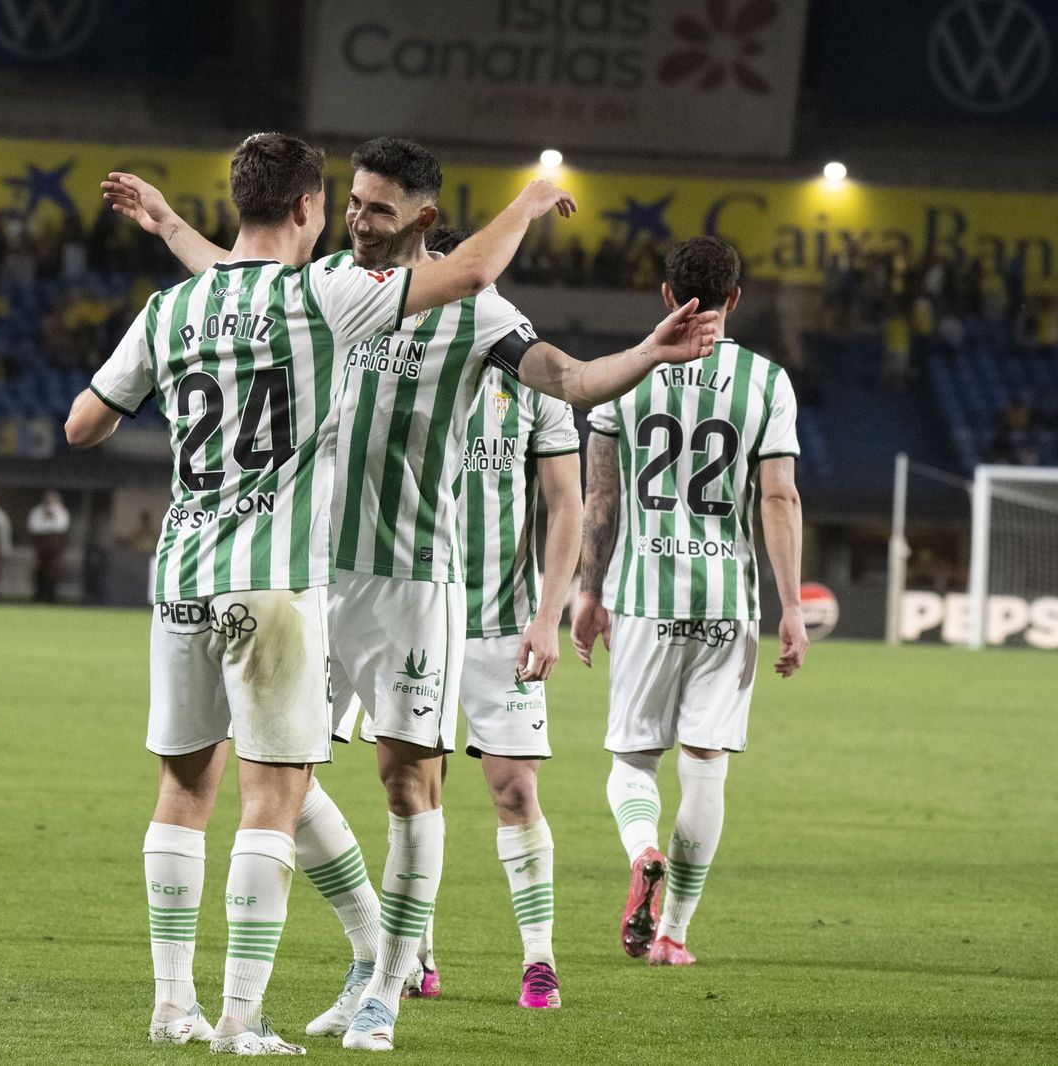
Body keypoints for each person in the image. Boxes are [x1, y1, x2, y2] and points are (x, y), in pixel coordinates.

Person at [109, 138, 721, 1049]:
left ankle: (388, 988)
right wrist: (168, 226)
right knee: (279, 774)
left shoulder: (474, 313)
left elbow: (570, 380)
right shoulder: (324, 290)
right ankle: (366, 944)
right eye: (351, 202)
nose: (356, 219)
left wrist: (646, 352)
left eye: (378, 209)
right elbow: (231, 284)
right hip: (308, 575)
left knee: (408, 786)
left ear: (424, 220)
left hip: (410, 585)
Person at [573, 236, 809, 967]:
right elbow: (778, 494)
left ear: (668, 296)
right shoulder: (767, 382)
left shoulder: (629, 375)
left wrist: (588, 590)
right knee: (706, 764)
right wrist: (793, 606)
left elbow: (600, 497)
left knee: (633, 761)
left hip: (644, 597)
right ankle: (673, 933)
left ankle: (643, 850)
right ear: (734, 300)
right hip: (727, 605)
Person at [400, 225, 582, 1009]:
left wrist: (549, 615)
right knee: (415, 791)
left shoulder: (528, 367)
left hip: (502, 623)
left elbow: (566, 504)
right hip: (412, 613)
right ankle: (416, 953)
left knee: (514, 791)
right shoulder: (398, 361)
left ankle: (538, 958)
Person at [27, 490, 70, 603]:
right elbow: (34, 528)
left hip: (55, 550)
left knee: (53, 573)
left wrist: (52, 516)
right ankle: (38, 597)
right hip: (40, 549)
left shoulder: (61, 512)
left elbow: (61, 528)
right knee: (39, 574)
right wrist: (45, 518)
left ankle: (52, 597)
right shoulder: (36, 511)